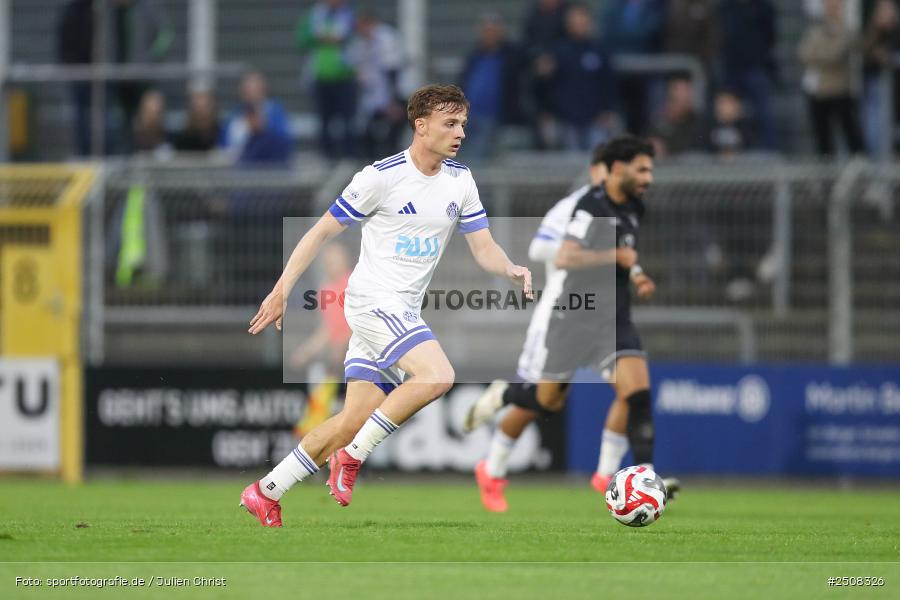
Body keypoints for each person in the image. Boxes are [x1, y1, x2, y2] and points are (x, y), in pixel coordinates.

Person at [238, 84, 533, 527]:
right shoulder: (381, 177)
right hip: (372, 303)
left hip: (403, 313)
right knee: (438, 375)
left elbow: (483, 246)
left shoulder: (461, 180)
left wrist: (510, 268)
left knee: (352, 419)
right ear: (421, 125)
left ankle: (266, 491)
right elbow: (319, 232)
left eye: (464, 125)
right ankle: (352, 459)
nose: (460, 134)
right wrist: (281, 289)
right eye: (450, 124)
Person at [462, 136, 679, 512]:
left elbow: (624, 253)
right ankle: (504, 402)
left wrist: (636, 273)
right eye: (642, 169)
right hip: (571, 317)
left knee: (637, 395)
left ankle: (641, 479)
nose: (649, 177)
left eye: (650, 169)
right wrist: (617, 256)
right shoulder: (585, 206)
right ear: (613, 169)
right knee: (545, 401)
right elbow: (562, 256)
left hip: (614, 319)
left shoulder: (634, 207)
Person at [798, 0, 865, 156]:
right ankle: (827, 177)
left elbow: (837, 53)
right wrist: (824, 55)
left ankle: (860, 172)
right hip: (819, 92)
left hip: (841, 91)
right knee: (823, 140)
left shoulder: (847, 31)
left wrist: (820, 55)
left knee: (851, 135)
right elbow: (804, 54)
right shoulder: (815, 31)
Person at [459, 12, 527, 161]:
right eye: (486, 30)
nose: (489, 34)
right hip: (467, 114)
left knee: (476, 155)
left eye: (493, 30)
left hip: (491, 116)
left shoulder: (511, 56)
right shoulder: (475, 56)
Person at [296, 0, 358, 160]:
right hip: (321, 76)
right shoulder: (314, 15)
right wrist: (329, 39)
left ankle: (348, 156)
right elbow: (303, 38)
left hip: (345, 75)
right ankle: (327, 156)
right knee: (324, 120)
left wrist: (324, 38)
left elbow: (353, 36)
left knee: (347, 120)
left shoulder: (350, 14)